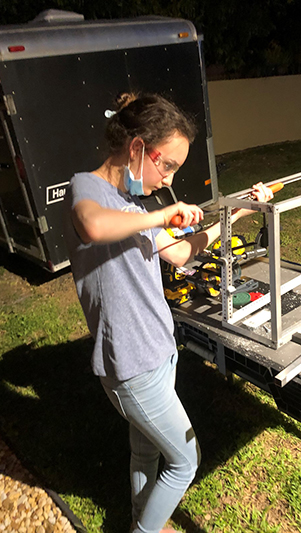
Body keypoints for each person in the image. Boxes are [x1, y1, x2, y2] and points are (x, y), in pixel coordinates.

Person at [63, 92, 273, 533]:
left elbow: (180, 253)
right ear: (137, 148)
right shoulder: (88, 188)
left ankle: (144, 517)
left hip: (159, 350)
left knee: (147, 453)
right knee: (186, 459)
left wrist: (234, 214)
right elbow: (94, 226)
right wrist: (161, 216)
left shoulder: (133, 205)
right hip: (131, 365)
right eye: (168, 165)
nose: (168, 179)